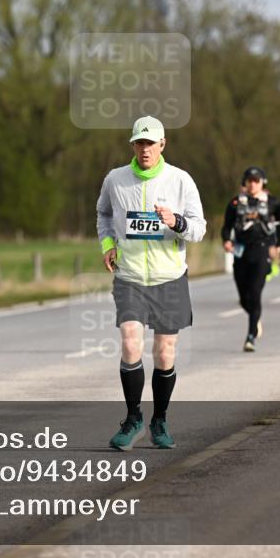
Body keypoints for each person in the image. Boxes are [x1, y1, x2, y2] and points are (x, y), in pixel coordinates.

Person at [96, 116, 205, 450]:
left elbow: (199, 229)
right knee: (131, 344)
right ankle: (133, 419)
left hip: (169, 276)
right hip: (129, 277)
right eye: (139, 143)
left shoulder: (180, 180)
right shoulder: (116, 179)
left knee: (164, 351)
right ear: (133, 145)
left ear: (162, 145)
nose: (144, 150)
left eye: (150, 144)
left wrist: (177, 222)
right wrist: (108, 244)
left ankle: (160, 420)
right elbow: (103, 214)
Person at [222, 167, 280, 352]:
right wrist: (226, 240)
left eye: (256, 180)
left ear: (262, 182)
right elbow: (226, 226)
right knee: (243, 298)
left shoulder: (272, 202)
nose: (252, 184)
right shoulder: (235, 202)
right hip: (241, 251)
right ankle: (255, 319)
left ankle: (250, 337)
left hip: (262, 251)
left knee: (255, 293)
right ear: (244, 182)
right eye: (249, 180)